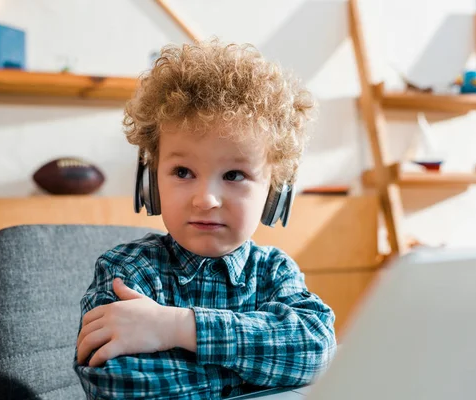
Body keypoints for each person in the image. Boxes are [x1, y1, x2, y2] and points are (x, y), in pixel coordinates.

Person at [73, 39, 337, 399]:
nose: (206, 199)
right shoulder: (127, 272)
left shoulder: (275, 272)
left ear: (274, 191)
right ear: (151, 182)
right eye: (183, 171)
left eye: (234, 175)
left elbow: (319, 352)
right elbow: (123, 384)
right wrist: (258, 374)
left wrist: (180, 329)